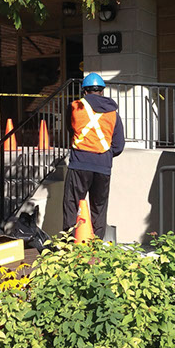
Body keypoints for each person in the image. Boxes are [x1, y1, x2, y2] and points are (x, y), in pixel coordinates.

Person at [63, 73, 125, 239]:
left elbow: (70, 128)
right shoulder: (113, 114)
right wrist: (105, 155)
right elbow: (119, 146)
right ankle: (97, 244)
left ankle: (69, 244)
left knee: (72, 204)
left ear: (84, 91)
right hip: (103, 166)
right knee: (99, 207)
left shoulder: (74, 107)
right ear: (102, 91)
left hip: (79, 163)